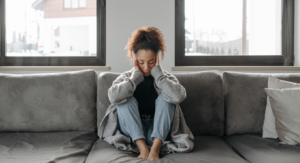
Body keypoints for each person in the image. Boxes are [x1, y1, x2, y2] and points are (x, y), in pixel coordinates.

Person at [98, 26, 194, 161]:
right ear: (135, 58)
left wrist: (159, 76)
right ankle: (143, 148)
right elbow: (114, 97)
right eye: (141, 62)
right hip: (133, 132)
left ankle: (155, 150)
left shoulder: (165, 78)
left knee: (166, 99)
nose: (146, 67)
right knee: (125, 101)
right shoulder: (127, 77)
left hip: (159, 131)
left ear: (157, 59)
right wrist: (134, 78)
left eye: (151, 62)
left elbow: (178, 96)